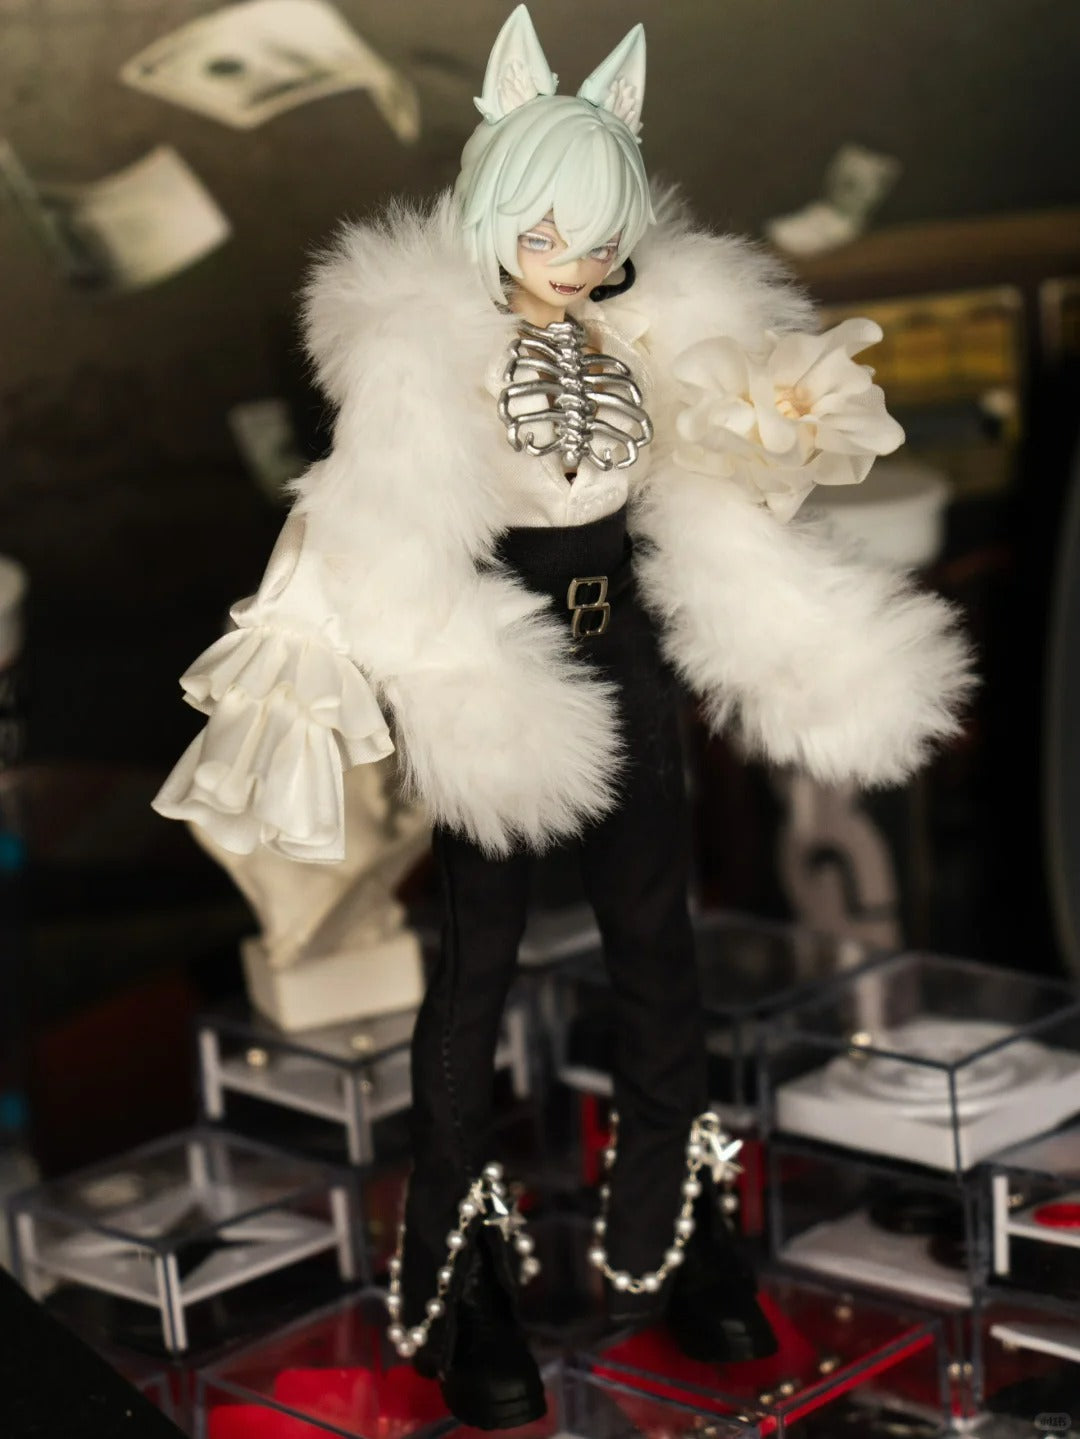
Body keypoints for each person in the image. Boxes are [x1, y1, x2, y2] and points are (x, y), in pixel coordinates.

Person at [154, 7, 971, 1429]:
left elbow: (712, 482)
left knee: (660, 942)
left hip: (629, 644)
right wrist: (313, 663)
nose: (574, 260)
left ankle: (679, 1227)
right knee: (474, 967)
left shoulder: (646, 329)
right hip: (500, 657)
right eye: (544, 233)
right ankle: (457, 1272)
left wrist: (766, 437)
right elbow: (366, 516)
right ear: (492, 216)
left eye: (594, 237)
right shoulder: (429, 356)